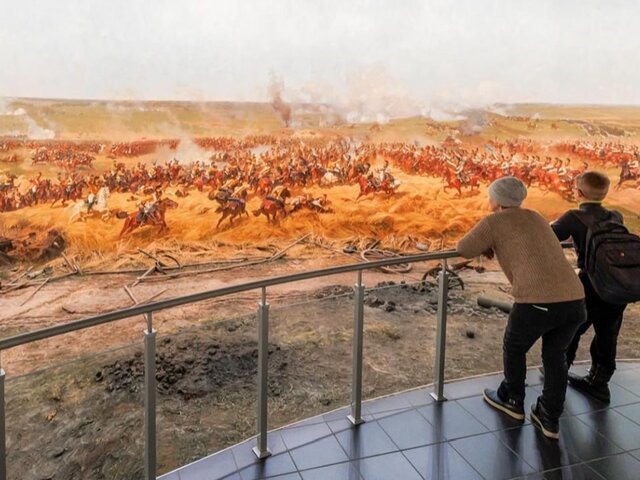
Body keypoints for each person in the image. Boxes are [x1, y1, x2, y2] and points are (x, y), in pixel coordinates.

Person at [457, 176, 585, 439]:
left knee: (514, 347)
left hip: (537, 301)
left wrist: (490, 242)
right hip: (574, 298)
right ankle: (549, 416)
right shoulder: (536, 216)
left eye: (491, 195)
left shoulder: (493, 221)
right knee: (555, 357)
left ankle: (512, 400)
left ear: (497, 199)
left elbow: (464, 248)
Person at [550, 171, 627, 403]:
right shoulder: (616, 215)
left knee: (570, 330)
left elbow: (548, 237)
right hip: (618, 284)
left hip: (590, 283)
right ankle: (599, 383)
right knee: (607, 333)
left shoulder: (573, 216)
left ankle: (558, 378)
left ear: (578, 193)